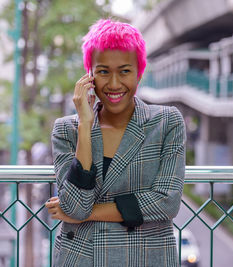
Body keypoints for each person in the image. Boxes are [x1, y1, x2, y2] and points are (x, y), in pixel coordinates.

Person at [45, 19, 186, 267]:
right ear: (89, 76)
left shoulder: (167, 122)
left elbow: (167, 202)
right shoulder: (67, 129)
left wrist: (92, 213)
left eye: (124, 71)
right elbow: (75, 207)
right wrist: (85, 127)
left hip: (146, 257)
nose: (113, 84)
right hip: (82, 257)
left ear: (139, 72)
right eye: (103, 72)